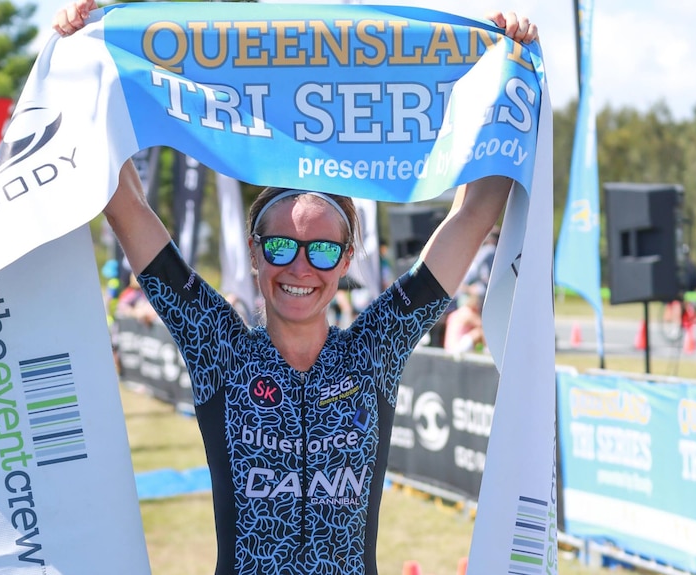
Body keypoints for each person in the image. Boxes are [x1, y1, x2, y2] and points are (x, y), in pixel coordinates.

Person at [54, 4, 538, 574]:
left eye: (323, 249)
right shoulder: (221, 349)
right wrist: (85, 64)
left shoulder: (372, 350)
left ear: (347, 259)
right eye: (281, 246)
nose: (300, 268)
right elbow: (127, 208)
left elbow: (476, 211)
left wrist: (505, 71)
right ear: (256, 253)